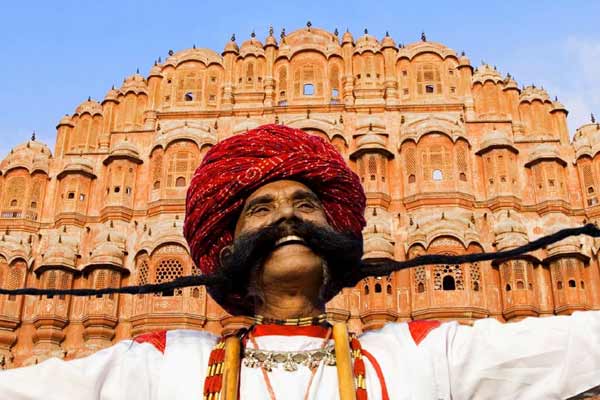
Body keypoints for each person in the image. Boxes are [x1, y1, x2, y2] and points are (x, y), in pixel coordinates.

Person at [0, 124, 599, 400]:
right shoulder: (160, 367)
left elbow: (582, 345)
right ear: (225, 248)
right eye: (260, 208)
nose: (288, 216)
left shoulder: (420, 354)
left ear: (336, 235)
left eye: (306, 203)